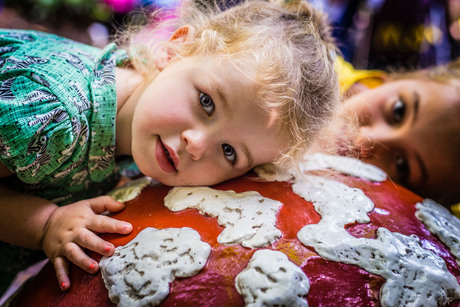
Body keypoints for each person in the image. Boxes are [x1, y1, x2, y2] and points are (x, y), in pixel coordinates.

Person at [0, 0, 340, 293]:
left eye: (229, 152)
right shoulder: (54, 111)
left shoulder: (144, 148)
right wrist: (45, 224)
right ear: (175, 49)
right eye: (207, 102)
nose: (197, 145)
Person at [336, 58, 460, 212]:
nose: (367, 140)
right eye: (398, 110)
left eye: (402, 166)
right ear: (407, 77)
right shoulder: (301, 51)